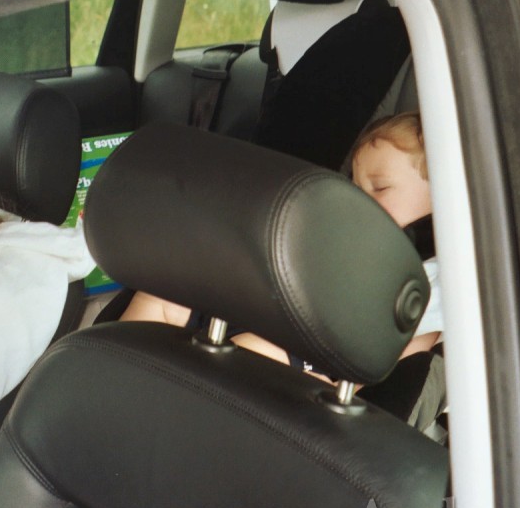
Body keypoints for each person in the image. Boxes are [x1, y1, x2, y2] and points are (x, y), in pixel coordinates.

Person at [121, 111, 443, 381]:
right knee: (162, 298)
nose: (360, 202)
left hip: (315, 363)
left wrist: (347, 392)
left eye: (381, 187)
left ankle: (180, 406)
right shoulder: (338, 236)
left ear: (443, 194)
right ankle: (117, 379)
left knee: (248, 352)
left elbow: (404, 366)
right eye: (355, 188)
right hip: (259, 313)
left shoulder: (433, 278)